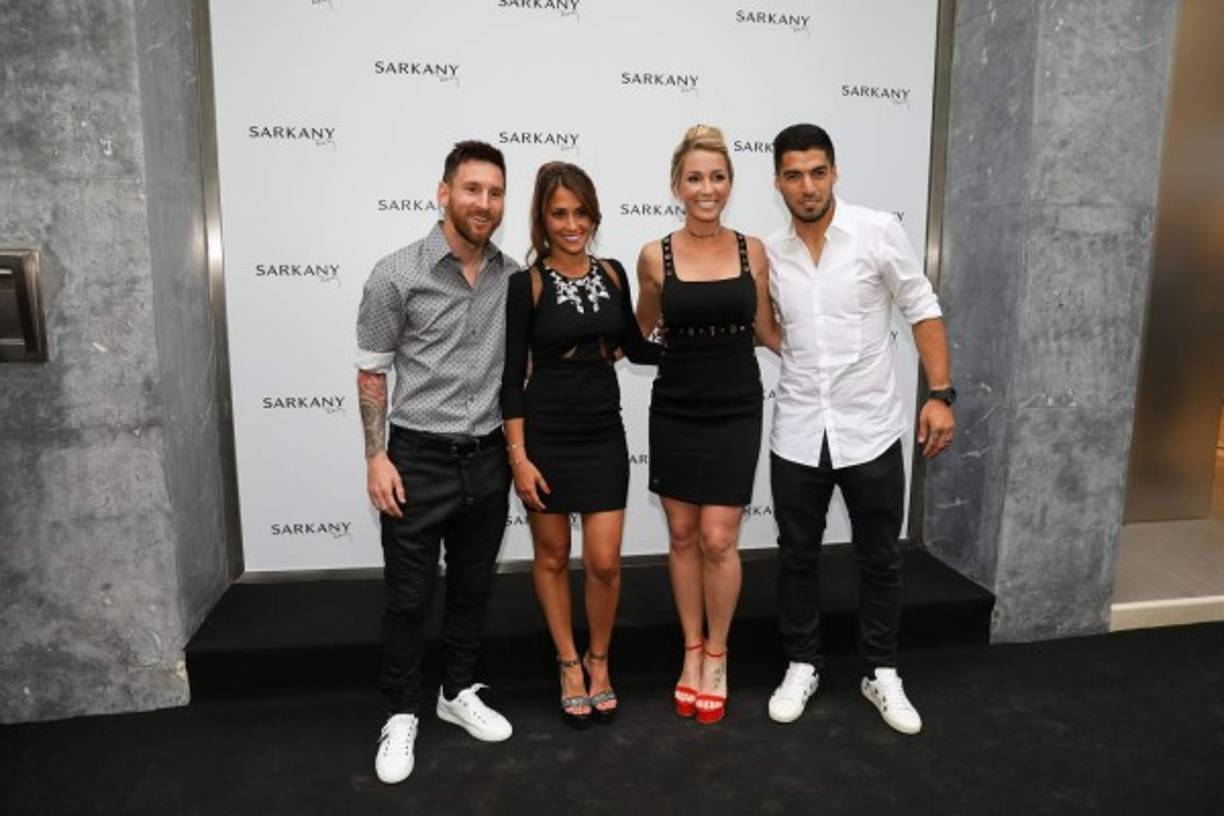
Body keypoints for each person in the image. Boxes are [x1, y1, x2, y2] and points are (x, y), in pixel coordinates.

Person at [763, 123, 955, 735]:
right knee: (797, 558)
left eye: (818, 172)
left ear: (834, 173)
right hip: (798, 429)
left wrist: (940, 395)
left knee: (881, 558)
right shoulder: (770, 253)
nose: (808, 186)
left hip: (869, 427)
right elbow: (769, 327)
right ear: (778, 183)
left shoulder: (876, 231)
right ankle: (802, 663)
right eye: (794, 175)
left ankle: (880, 670)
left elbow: (921, 307)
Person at [356, 140, 519, 785]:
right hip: (417, 459)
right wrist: (376, 457)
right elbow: (372, 372)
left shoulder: (512, 275)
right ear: (444, 193)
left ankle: (457, 692)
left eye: (495, 192)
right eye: (472, 189)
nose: (484, 203)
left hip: (488, 458)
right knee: (408, 597)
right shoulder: (396, 273)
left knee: (473, 589)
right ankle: (401, 712)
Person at [500, 162, 660, 729]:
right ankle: (569, 663)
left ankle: (600, 659)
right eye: (559, 214)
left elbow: (636, 348)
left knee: (605, 562)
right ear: (542, 220)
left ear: (594, 215)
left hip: (602, 434)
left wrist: (701, 342)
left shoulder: (613, 273)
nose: (572, 224)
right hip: (545, 435)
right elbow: (510, 381)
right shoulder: (525, 284)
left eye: (581, 213)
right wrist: (519, 459)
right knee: (550, 557)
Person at [635, 124, 780, 725]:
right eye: (694, 178)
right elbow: (640, 331)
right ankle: (690, 650)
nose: (706, 188)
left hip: (736, 407)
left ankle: (717, 654)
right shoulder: (655, 256)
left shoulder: (753, 251)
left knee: (719, 538)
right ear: (677, 185)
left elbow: (768, 331)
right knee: (682, 535)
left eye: (717, 177)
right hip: (676, 406)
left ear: (730, 184)